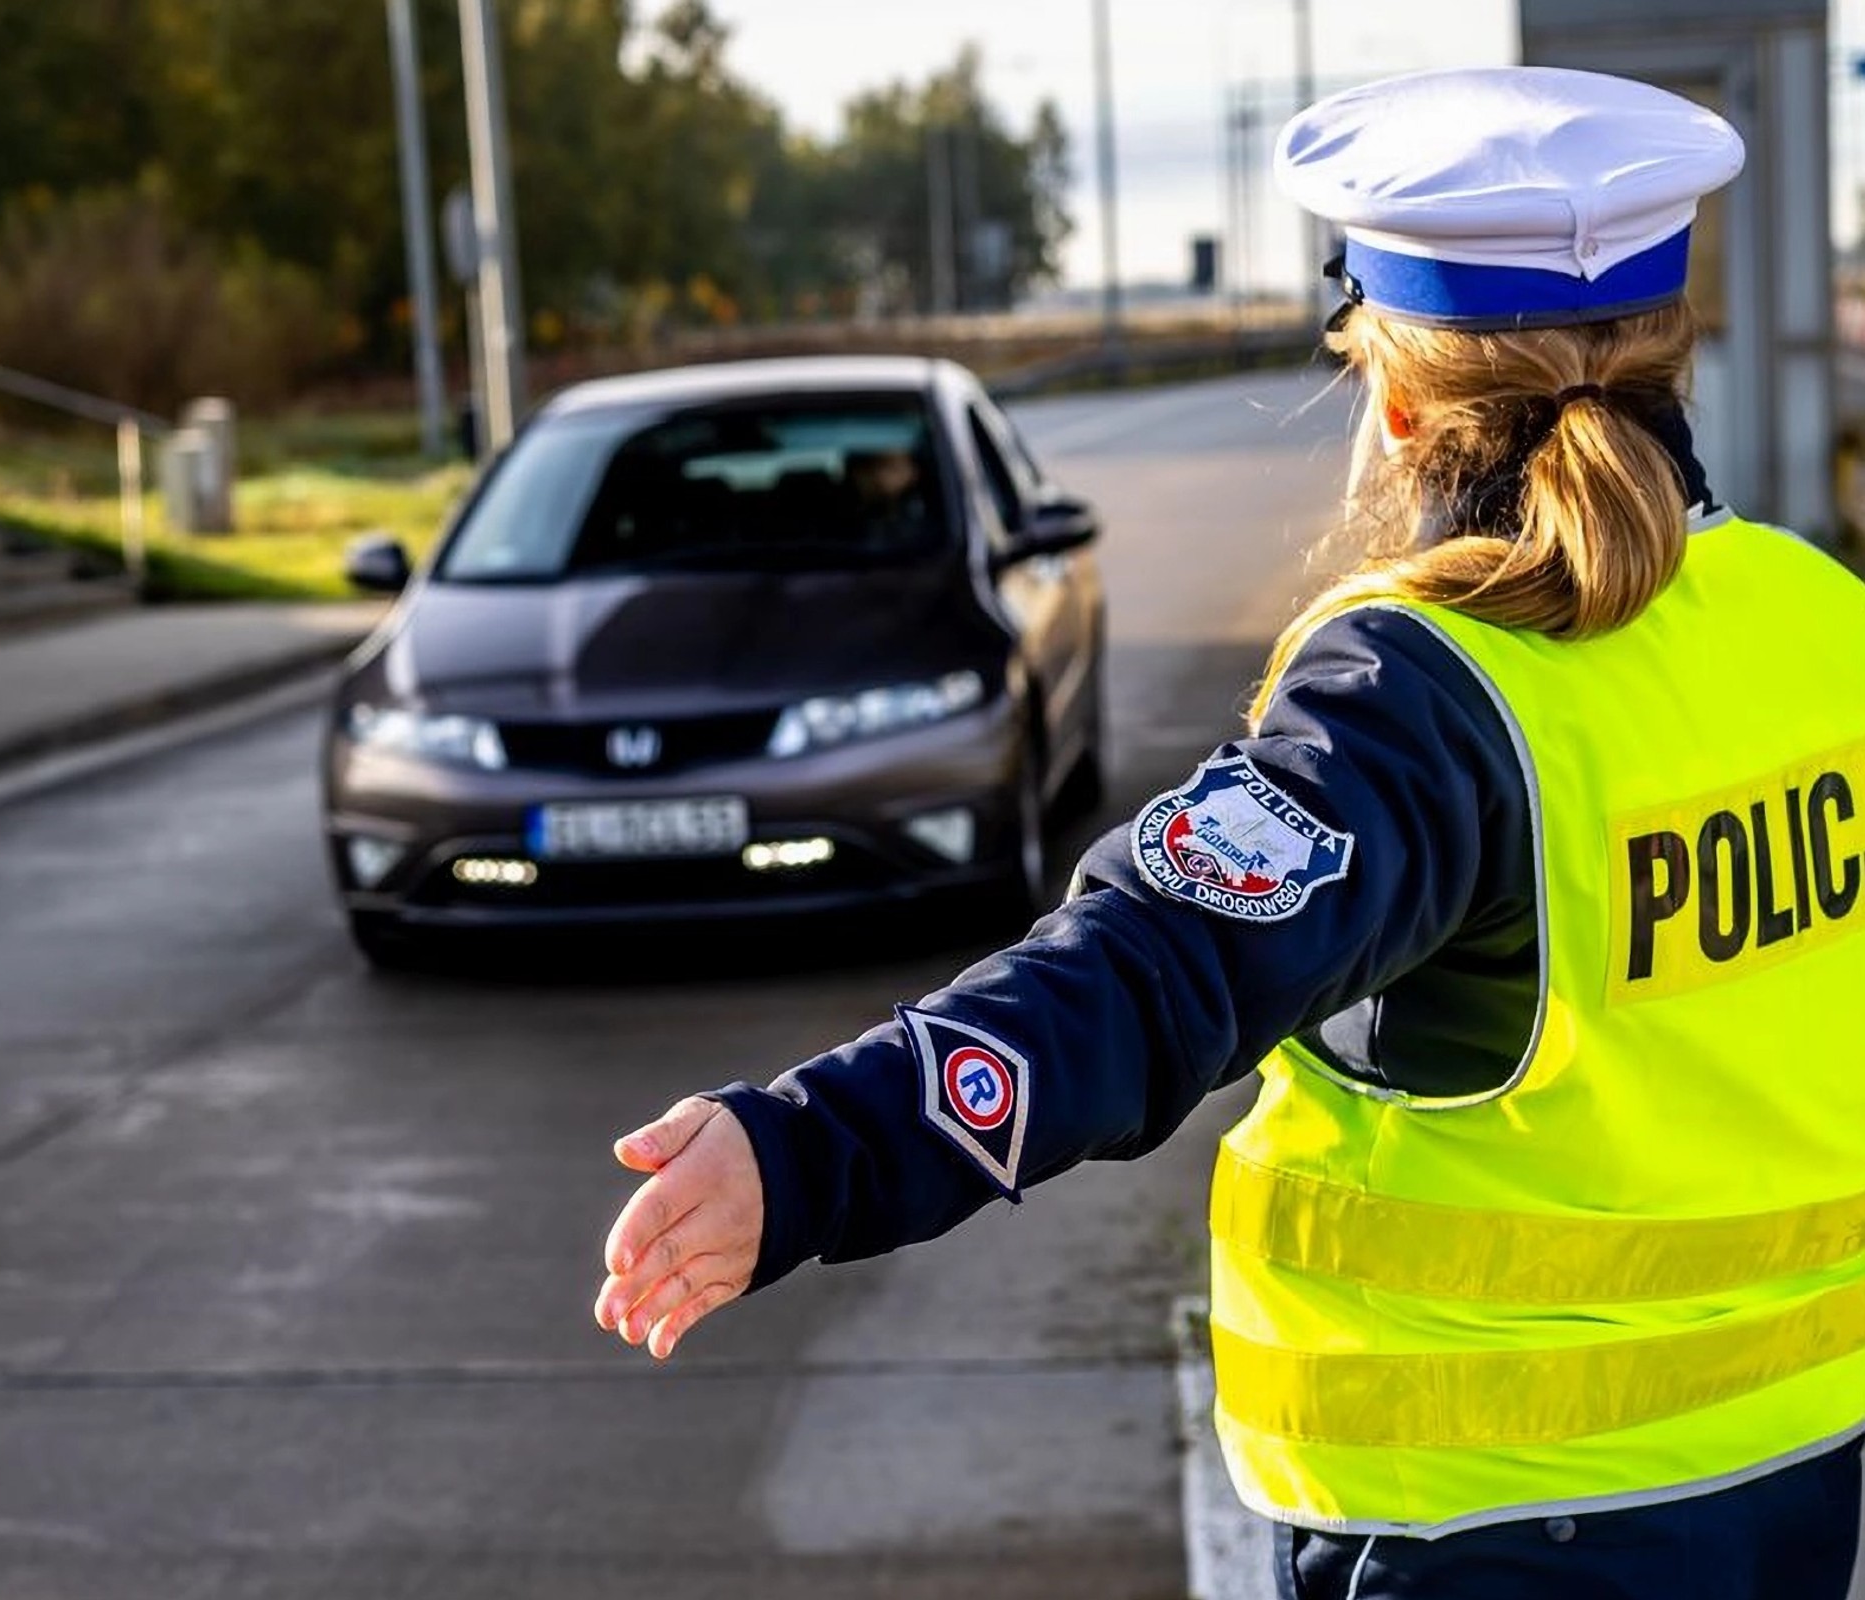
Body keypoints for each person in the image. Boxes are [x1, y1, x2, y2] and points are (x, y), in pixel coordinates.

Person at [592, 66, 1865, 1599]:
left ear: (1396, 400)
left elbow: (1141, 978)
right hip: (1794, 1476)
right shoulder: (1818, 616)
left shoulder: (1424, 689)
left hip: (1488, 1525)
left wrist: (805, 1153)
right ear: (1675, 344)